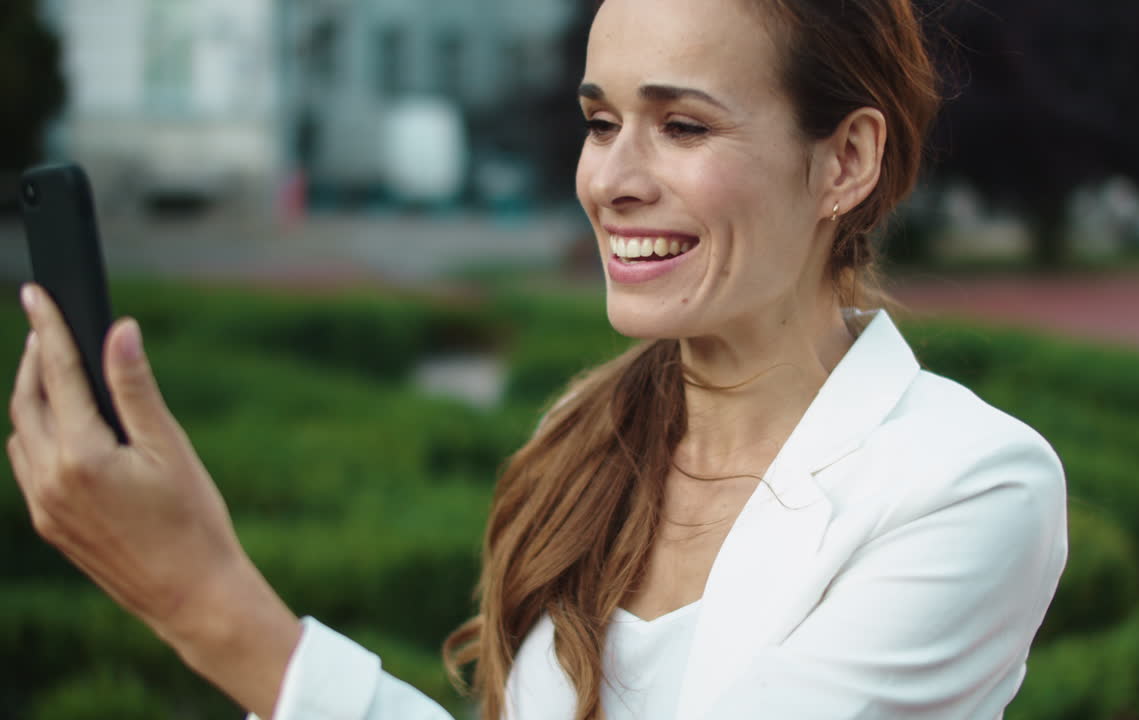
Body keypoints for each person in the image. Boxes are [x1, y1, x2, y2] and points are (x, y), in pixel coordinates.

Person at [7, 0, 1068, 718]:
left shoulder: (968, 486)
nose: (610, 178)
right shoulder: (581, 442)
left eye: (682, 126)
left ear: (844, 159)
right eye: (600, 121)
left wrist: (211, 607)